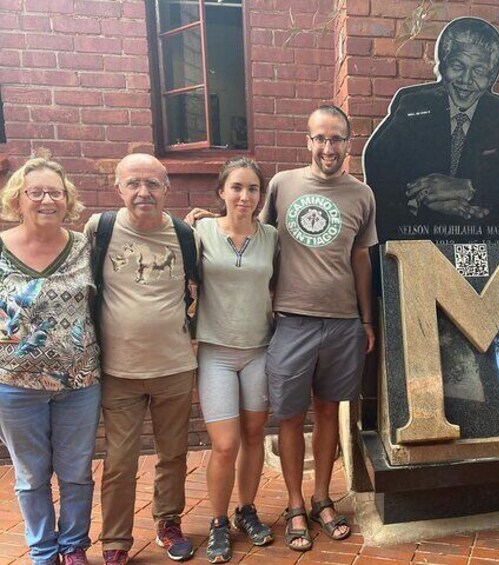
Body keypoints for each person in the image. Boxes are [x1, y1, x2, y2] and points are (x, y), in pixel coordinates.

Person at [261, 105, 376, 551]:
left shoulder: (362, 194)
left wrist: (366, 318)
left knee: (329, 412)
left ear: (349, 144)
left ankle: (322, 498)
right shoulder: (281, 185)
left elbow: (360, 258)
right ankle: (294, 505)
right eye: (320, 139)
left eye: (337, 140)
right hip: (290, 320)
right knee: (290, 416)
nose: (328, 148)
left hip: (342, 321)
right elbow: (258, 243)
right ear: (307, 141)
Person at [88, 154, 198, 565]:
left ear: (166, 188)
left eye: (153, 184)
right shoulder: (100, 230)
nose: (143, 192)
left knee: (173, 455)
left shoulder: (185, 235)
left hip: (174, 367)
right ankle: (116, 540)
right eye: (133, 183)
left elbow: (200, 286)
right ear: (118, 188)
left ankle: (168, 522)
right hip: (119, 372)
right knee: (118, 461)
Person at [364, 16, 499, 243]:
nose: (466, 80)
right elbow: (378, 164)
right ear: (443, 66)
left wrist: (469, 189)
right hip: (421, 246)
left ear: (492, 75)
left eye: (479, 71)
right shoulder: (413, 104)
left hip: (482, 246)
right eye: (457, 66)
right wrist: (424, 199)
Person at [0, 155, 100, 565]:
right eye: (36, 192)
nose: (46, 200)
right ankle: (44, 551)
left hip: (80, 381)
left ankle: (73, 546)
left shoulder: (84, 246)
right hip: (15, 385)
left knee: (76, 471)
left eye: (55, 192)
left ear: (67, 199)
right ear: (18, 199)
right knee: (31, 476)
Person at [190, 158, 277, 563]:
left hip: (259, 349)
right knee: (226, 444)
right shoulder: (199, 231)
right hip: (216, 352)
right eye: (237, 187)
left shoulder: (272, 237)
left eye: (253, 189)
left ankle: (247, 510)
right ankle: (219, 521)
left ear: (262, 194)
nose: (245, 196)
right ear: (222, 191)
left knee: (255, 436)